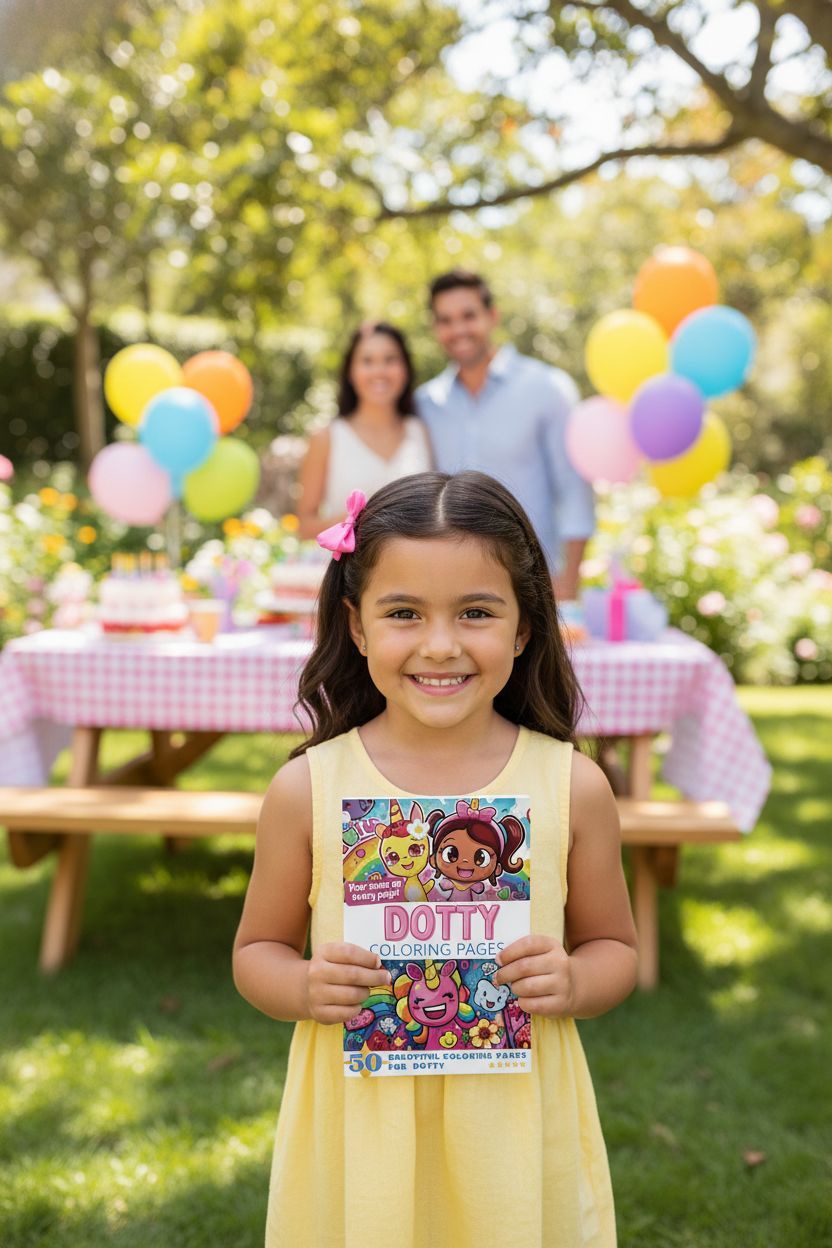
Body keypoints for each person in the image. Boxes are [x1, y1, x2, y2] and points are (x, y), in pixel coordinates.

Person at [233, 470, 637, 1248]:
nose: (441, 644)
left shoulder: (571, 788)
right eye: (404, 613)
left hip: (514, 1132)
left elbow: (615, 947)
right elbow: (257, 952)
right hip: (362, 1132)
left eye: (476, 612)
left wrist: (578, 978)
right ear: (356, 625)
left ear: (524, 629)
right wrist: (304, 985)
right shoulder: (307, 790)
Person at [415, 269, 594, 600]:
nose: (458, 330)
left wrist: (568, 586)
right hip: (448, 587)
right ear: (436, 328)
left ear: (492, 316)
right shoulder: (426, 403)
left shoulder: (546, 388)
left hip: (532, 586)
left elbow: (574, 492)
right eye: (445, 320)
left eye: (469, 316)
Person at [297, 321, 432, 539]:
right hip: (349, 571)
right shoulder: (326, 437)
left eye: (390, 360)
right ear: (351, 371)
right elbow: (304, 527)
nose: (380, 371)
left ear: (405, 368)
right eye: (367, 361)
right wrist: (358, 520)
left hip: (414, 570)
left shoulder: (418, 431)